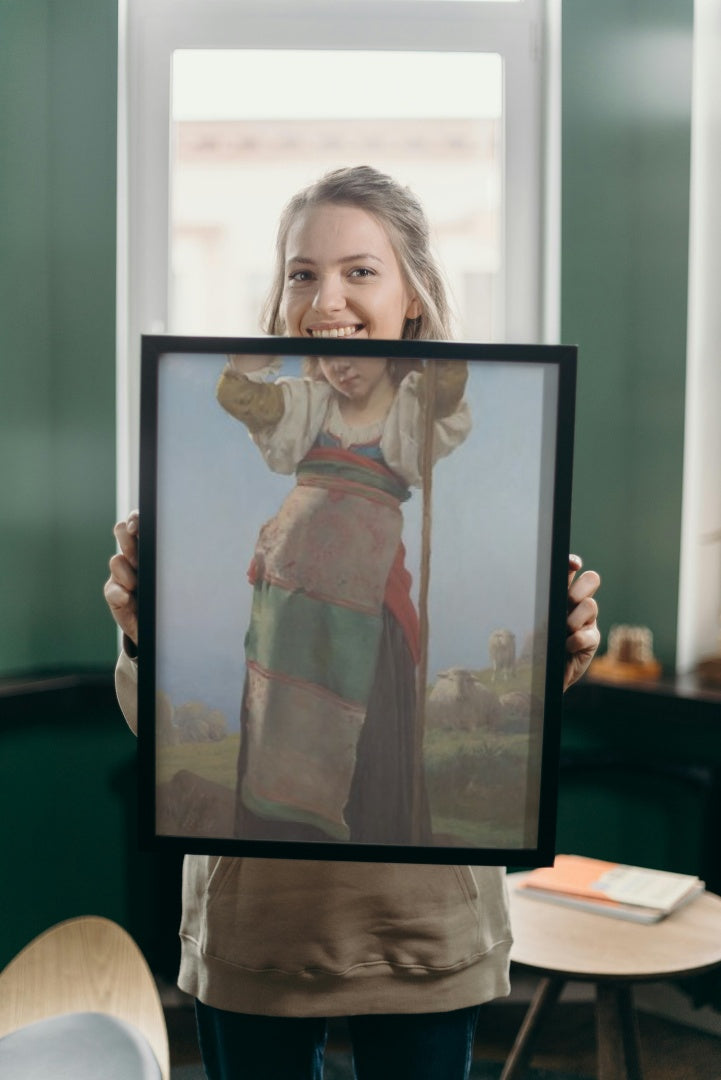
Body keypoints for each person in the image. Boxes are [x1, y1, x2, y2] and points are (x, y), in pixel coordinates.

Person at [105, 166, 601, 1080]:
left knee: (370, 740)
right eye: (301, 274)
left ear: (412, 295)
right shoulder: (301, 405)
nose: (325, 298)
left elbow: (449, 399)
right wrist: (144, 633)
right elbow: (242, 397)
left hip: (415, 924)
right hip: (259, 922)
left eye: (359, 272)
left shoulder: (421, 409)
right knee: (280, 731)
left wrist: (553, 651)